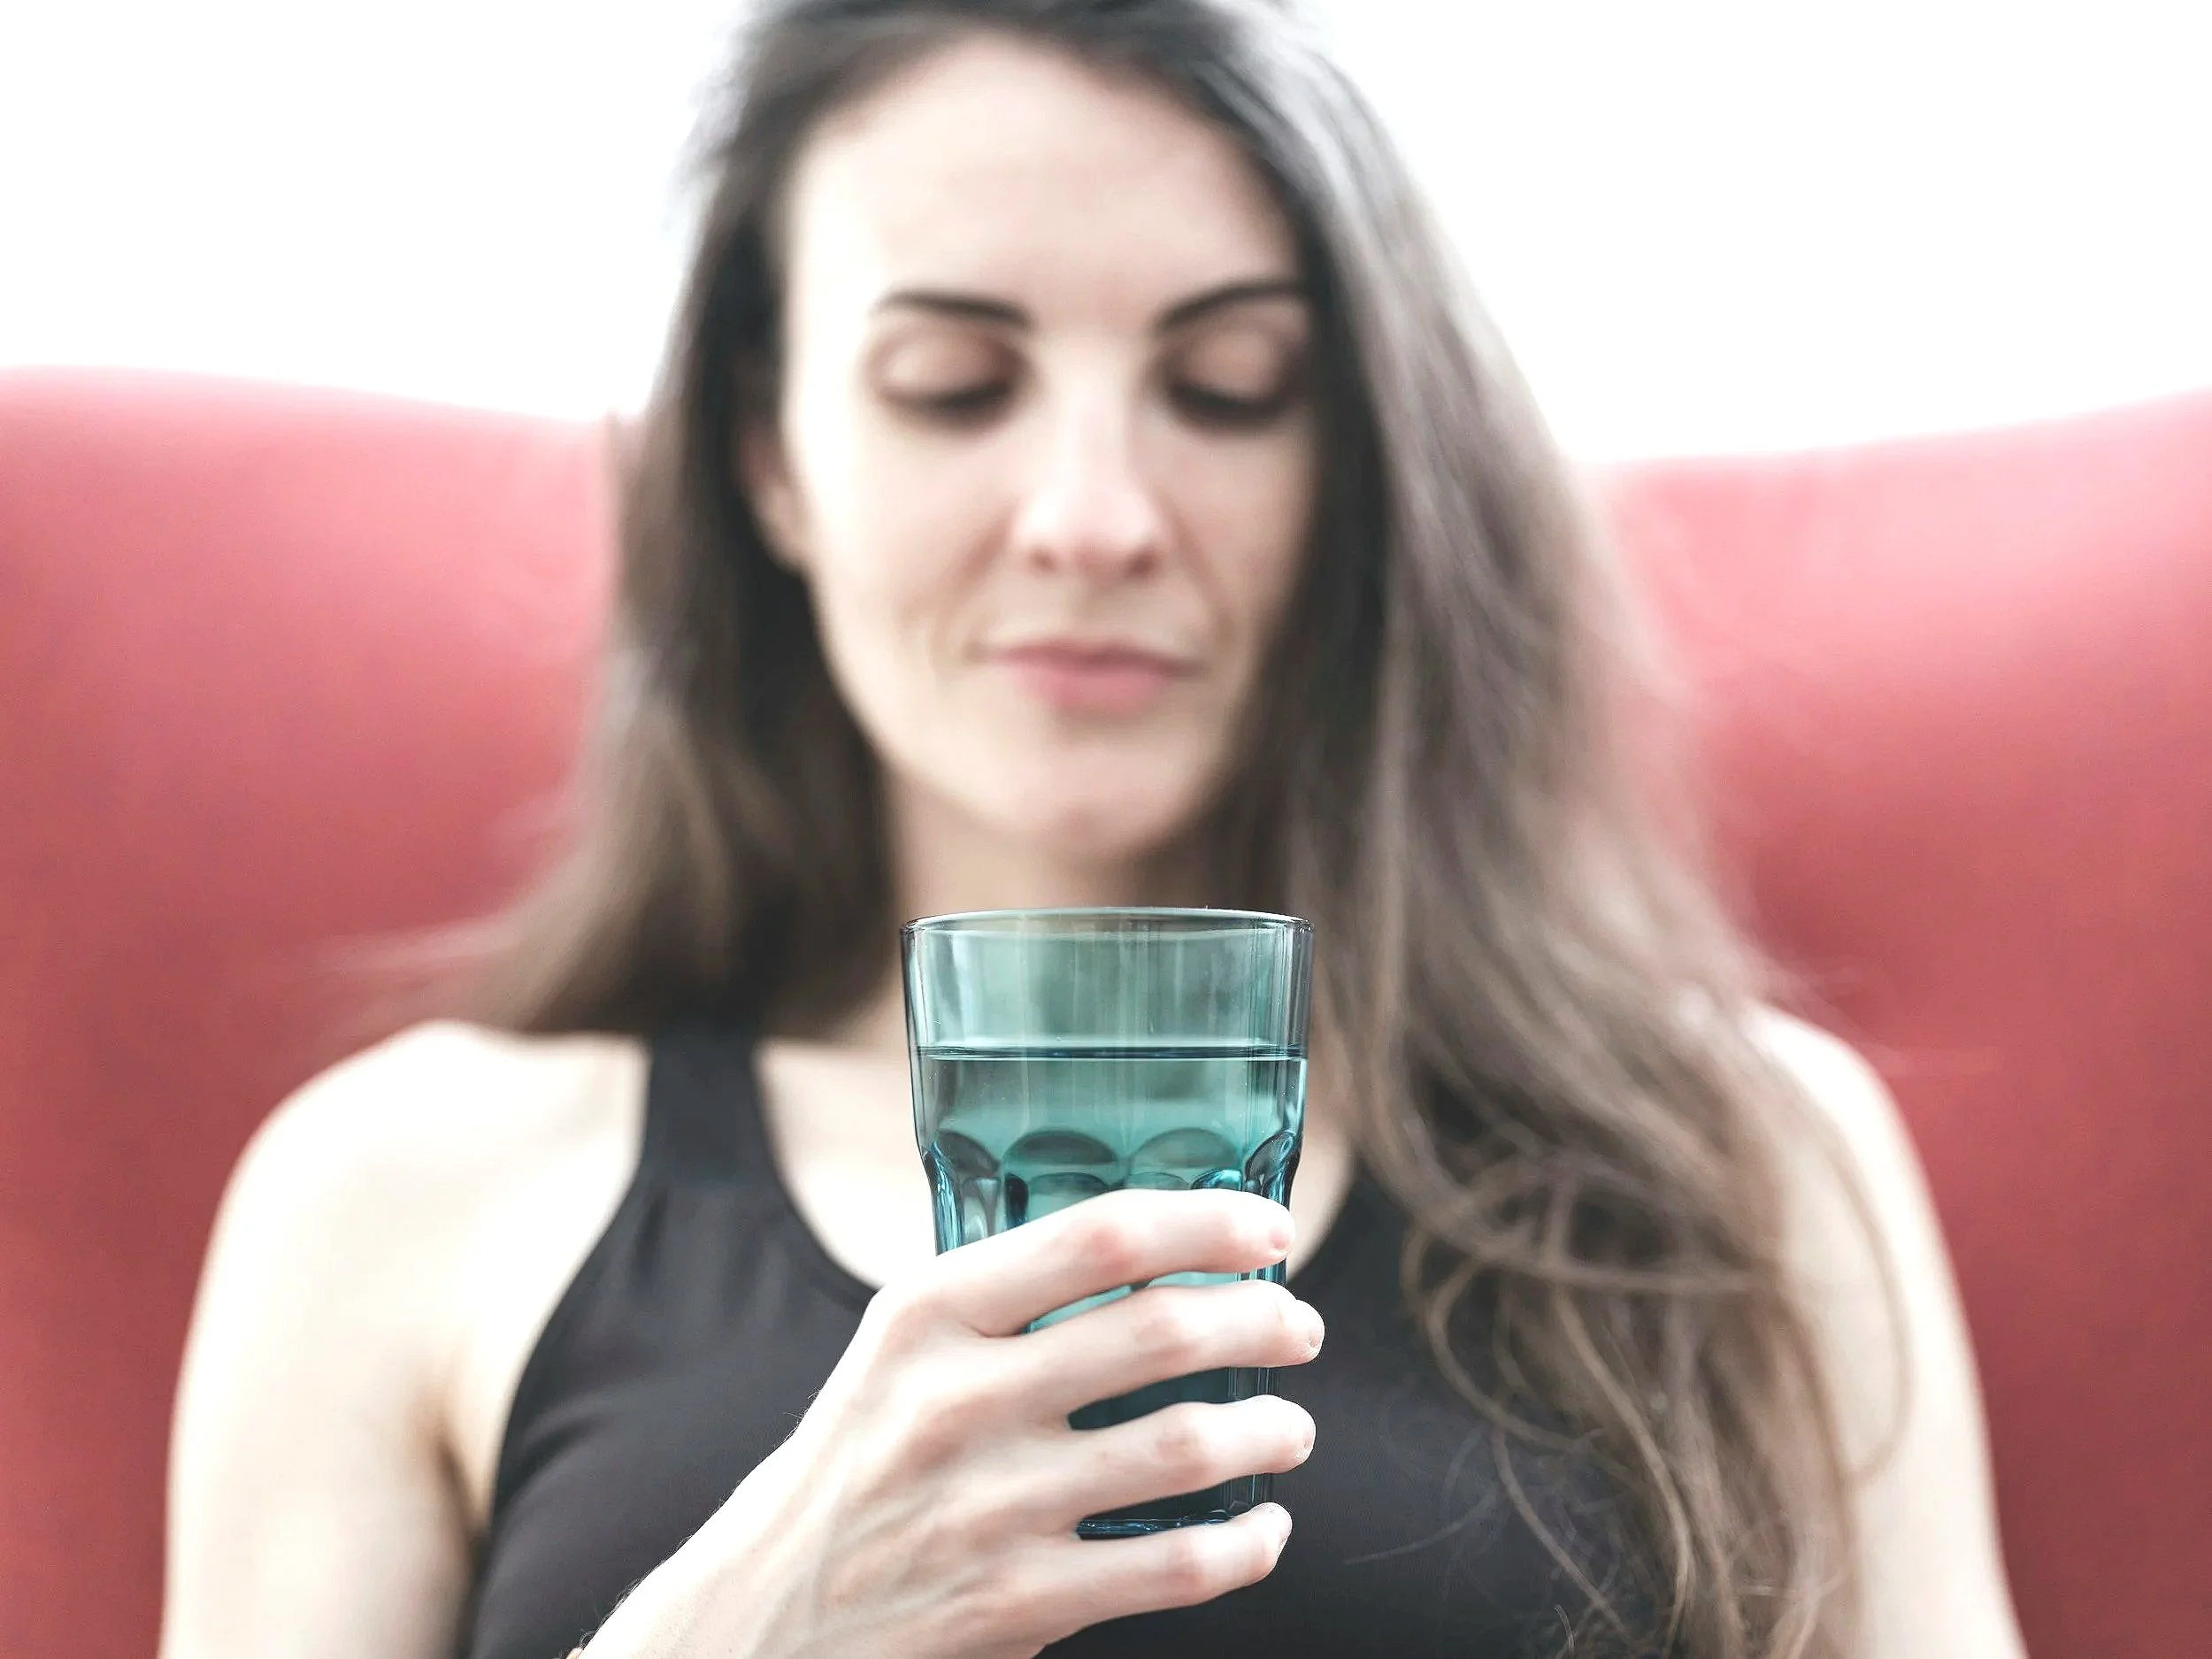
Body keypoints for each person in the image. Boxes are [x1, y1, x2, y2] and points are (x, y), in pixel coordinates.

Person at [157, 3, 2030, 1656]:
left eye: (1229, 390)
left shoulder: (1737, 1161)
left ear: (1363, 466)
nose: (1091, 515)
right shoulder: (406, 1191)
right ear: (766, 456)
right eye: (949, 387)